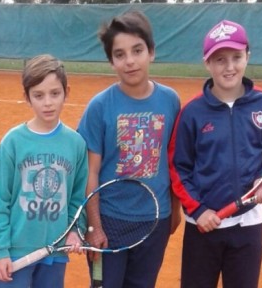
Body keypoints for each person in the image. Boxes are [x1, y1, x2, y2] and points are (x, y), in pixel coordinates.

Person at [168, 20, 262, 288]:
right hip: (204, 225)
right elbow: (178, 167)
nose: (229, 66)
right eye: (220, 59)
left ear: (248, 56)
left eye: (236, 57)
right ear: (207, 63)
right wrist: (198, 210)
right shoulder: (192, 113)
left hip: (249, 224)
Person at [77, 10, 182, 288]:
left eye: (137, 50)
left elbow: (174, 162)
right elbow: (91, 173)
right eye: (120, 54)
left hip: (154, 222)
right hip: (109, 221)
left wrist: (175, 208)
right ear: (111, 61)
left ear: (152, 53)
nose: (130, 61)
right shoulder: (99, 107)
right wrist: (93, 226)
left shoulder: (170, 101)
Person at [0, 54, 88, 288]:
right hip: (17, 253)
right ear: (27, 97)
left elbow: (77, 197)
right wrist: (1, 250)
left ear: (66, 92)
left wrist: (75, 230)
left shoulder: (76, 144)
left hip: (55, 250)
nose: (48, 102)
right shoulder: (13, 142)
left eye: (55, 93)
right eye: (38, 95)